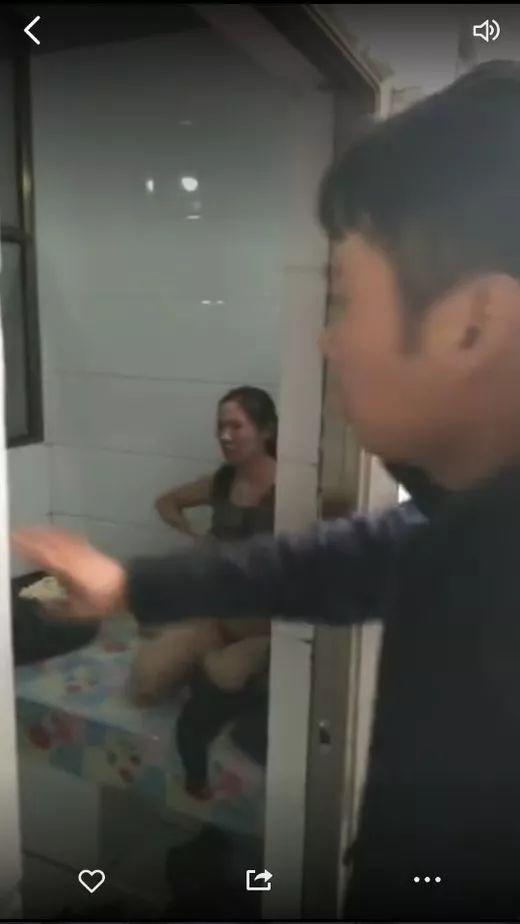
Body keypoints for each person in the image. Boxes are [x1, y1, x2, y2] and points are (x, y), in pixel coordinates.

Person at [14, 60, 520, 918]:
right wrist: (128, 584)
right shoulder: (459, 523)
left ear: (472, 325)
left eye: (344, 299)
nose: (327, 342)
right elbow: (322, 561)